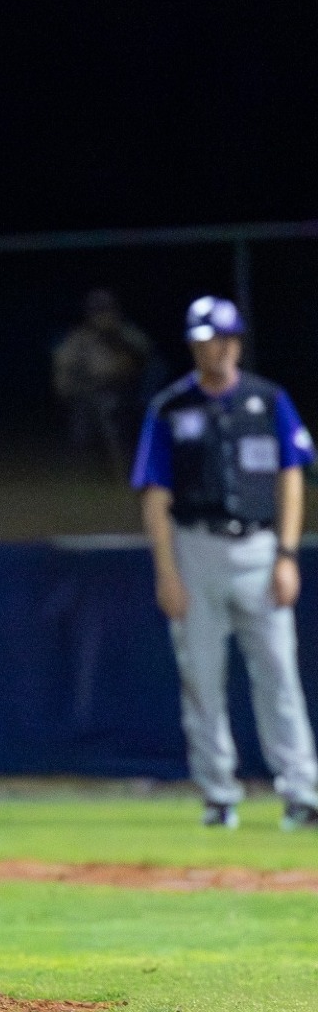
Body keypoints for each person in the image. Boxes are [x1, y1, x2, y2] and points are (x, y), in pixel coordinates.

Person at [131, 295, 318, 830]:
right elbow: (154, 494)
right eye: (199, 340)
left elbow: (291, 475)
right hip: (196, 548)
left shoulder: (267, 399)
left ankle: (302, 792)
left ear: (234, 342)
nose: (206, 349)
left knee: (280, 673)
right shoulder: (171, 408)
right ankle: (218, 794)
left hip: (260, 549)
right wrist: (166, 570)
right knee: (202, 679)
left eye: (215, 339)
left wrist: (286, 553)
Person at [54, 289, 152, 476]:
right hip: (88, 393)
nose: (102, 316)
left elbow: (145, 352)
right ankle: (86, 474)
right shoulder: (81, 337)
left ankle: (128, 473)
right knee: (82, 435)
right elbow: (63, 362)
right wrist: (65, 387)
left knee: (123, 436)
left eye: (106, 310)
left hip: (124, 392)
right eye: (97, 311)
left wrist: (117, 337)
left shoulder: (125, 333)